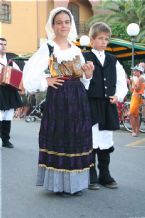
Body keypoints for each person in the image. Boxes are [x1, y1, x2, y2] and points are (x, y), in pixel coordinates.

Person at [23, 7, 94, 196]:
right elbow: (28, 78)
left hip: (78, 98)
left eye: (67, 22)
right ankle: (59, 185)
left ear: (71, 24)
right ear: (52, 25)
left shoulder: (76, 48)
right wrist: (45, 81)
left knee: (76, 137)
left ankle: (75, 184)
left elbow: (84, 82)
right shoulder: (47, 48)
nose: (63, 25)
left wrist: (88, 74)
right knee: (60, 137)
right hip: (59, 99)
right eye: (59, 22)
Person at [83, 22, 128, 190]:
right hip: (90, 104)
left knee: (106, 140)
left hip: (108, 104)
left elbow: (121, 81)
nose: (104, 42)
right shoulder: (83, 56)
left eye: (106, 39)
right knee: (91, 141)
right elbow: (80, 81)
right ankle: (90, 174)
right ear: (92, 39)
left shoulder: (113, 59)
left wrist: (118, 96)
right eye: (100, 38)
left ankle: (105, 174)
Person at [0, 38, 22, 148]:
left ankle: (5, 140)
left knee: (8, 116)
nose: (3, 46)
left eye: (5, 44)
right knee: (0, 115)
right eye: (1, 44)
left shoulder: (11, 61)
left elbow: (19, 73)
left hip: (9, 90)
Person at [129, 65, 145, 137]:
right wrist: (130, 83)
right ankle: (136, 131)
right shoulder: (136, 78)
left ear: (139, 71)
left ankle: (134, 131)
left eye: (135, 70)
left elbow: (137, 89)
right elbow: (132, 90)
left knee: (131, 114)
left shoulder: (141, 78)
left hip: (137, 97)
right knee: (136, 115)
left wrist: (132, 82)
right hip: (135, 96)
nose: (133, 72)